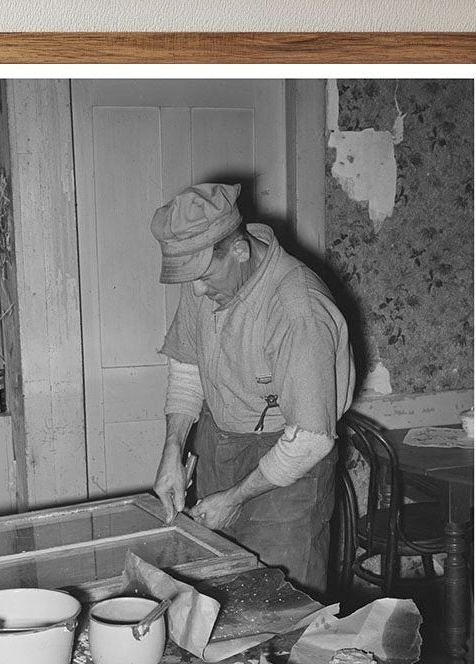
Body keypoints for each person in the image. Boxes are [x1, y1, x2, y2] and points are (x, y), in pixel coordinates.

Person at [150, 182, 355, 599]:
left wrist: (237, 496)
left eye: (204, 277)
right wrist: (173, 450)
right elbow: (188, 366)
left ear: (241, 250)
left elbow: (312, 439)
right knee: (218, 594)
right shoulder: (206, 278)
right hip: (220, 447)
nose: (197, 292)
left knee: (278, 608)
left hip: (289, 463)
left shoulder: (299, 309)